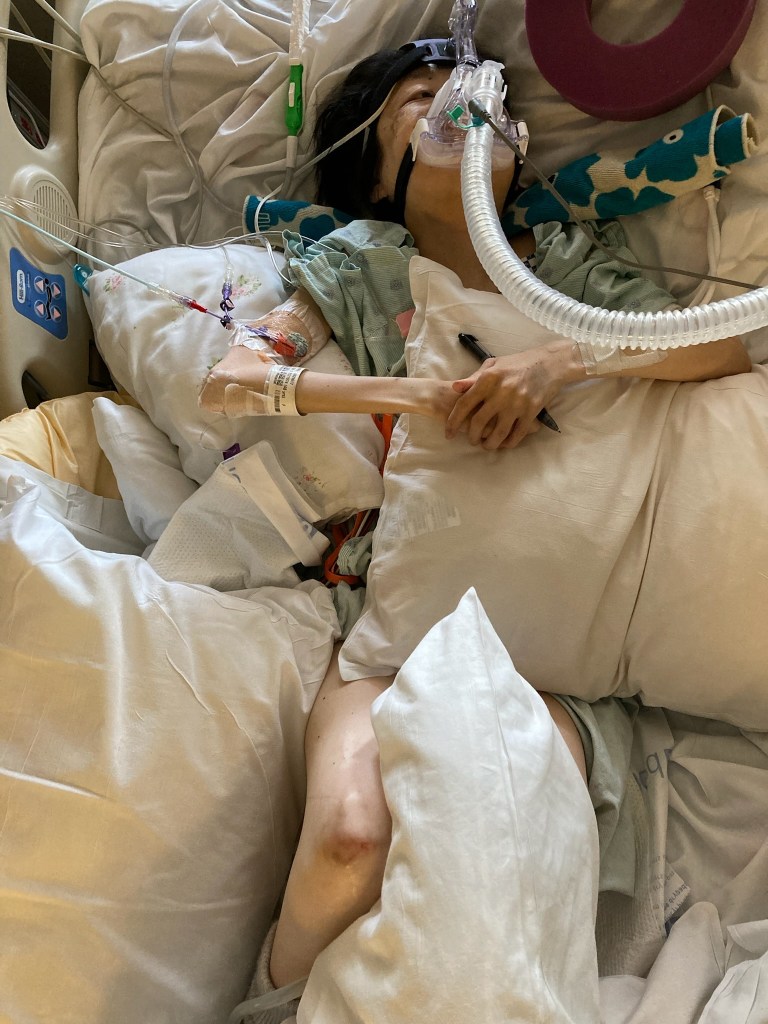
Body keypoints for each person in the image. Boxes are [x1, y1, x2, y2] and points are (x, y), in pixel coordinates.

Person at [210, 42, 752, 1021]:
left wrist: (559, 361)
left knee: (487, 839)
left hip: (553, 656)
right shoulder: (360, 268)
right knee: (348, 839)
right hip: (397, 620)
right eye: (419, 101)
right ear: (376, 166)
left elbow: (713, 350)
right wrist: (417, 397)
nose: (461, 109)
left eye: (479, 96)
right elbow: (235, 382)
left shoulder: (567, 263)